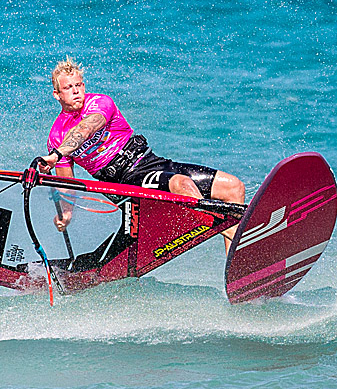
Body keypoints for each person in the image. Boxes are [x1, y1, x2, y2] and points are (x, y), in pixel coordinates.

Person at [33, 58, 245, 252]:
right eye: (68, 88)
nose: (76, 91)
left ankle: (238, 267)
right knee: (182, 184)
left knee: (233, 187)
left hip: (151, 163)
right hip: (125, 182)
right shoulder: (56, 135)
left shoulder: (99, 103)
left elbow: (86, 128)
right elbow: (66, 184)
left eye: (79, 85)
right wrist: (66, 213)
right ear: (57, 94)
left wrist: (57, 153)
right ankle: (229, 231)